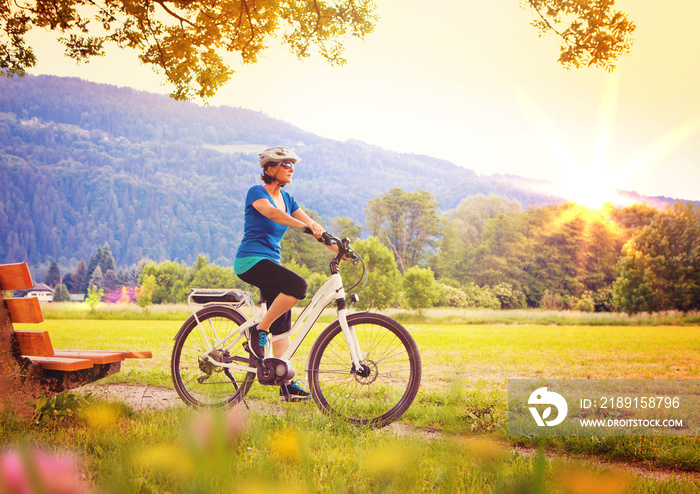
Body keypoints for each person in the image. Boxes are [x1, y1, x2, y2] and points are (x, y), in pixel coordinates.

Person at [234, 146, 332, 402]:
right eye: (286, 164)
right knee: (298, 286)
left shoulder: (289, 200)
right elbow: (271, 213)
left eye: (292, 164)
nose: (291, 168)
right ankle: (259, 330)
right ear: (270, 169)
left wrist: (339, 248)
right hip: (251, 261)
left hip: (271, 263)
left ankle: (284, 383)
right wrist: (305, 227)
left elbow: (314, 227)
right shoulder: (257, 192)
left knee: (283, 327)